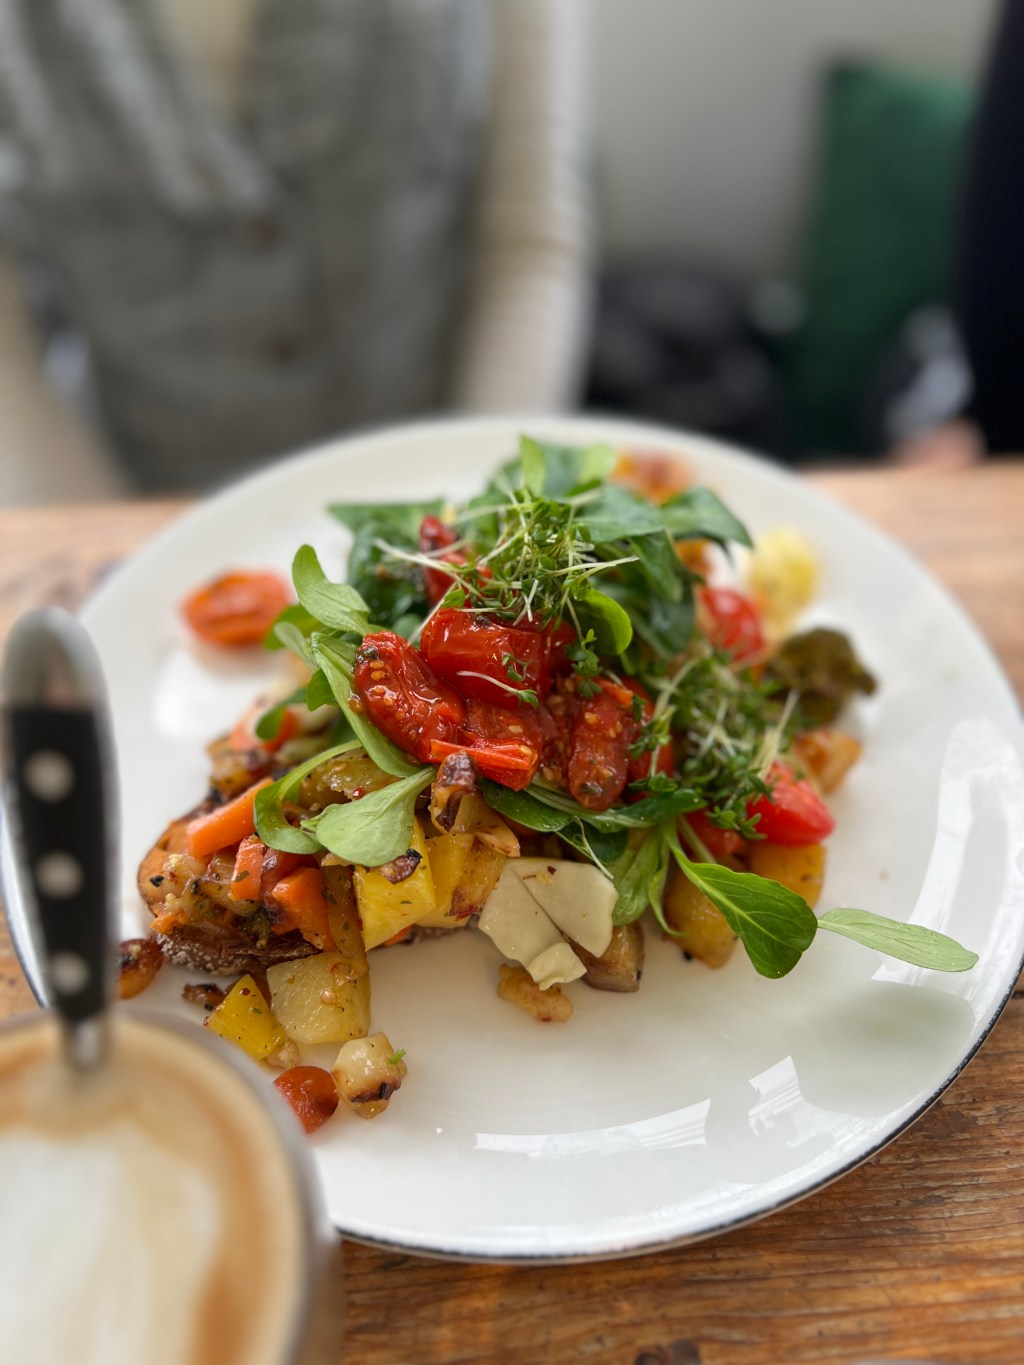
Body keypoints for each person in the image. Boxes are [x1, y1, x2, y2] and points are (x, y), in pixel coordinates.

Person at [0, 0, 589, 502]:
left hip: (442, 473)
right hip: (134, 487)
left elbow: (529, 241)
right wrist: (107, 568)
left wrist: (480, 521)